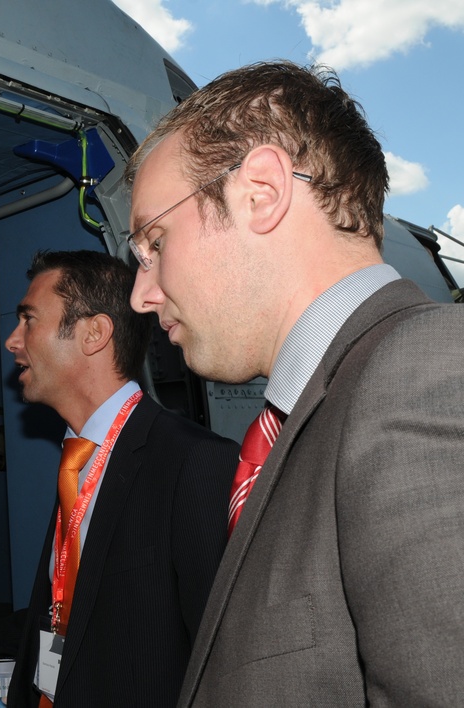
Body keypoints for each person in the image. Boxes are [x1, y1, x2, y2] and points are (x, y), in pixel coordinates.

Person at [125, 60, 464, 706]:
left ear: (261, 193)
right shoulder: (318, 418)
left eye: (154, 242)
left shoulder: (419, 379)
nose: (141, 294)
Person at [0, 250, 238, 706]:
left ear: (93, 334)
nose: (11, 341)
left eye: (29, 320)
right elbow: (74, 609)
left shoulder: (195, 463)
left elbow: (225, 654)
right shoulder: (77, 459)